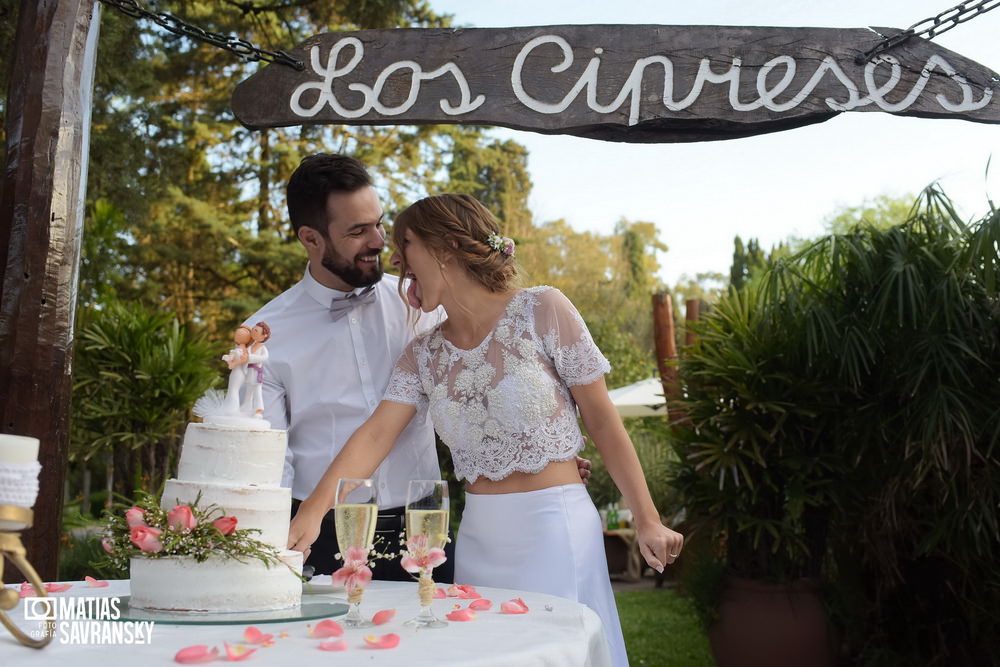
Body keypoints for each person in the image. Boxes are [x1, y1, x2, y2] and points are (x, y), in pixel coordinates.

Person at [288, 193, 684, 667]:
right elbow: (375, 436)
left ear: (446, 247)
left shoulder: (544, 309)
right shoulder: (423, 354)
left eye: (405, 243)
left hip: (555, 528)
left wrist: (647, 516)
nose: (394, 259)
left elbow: (602, 420)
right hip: (477, 537)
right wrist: (312, 512)